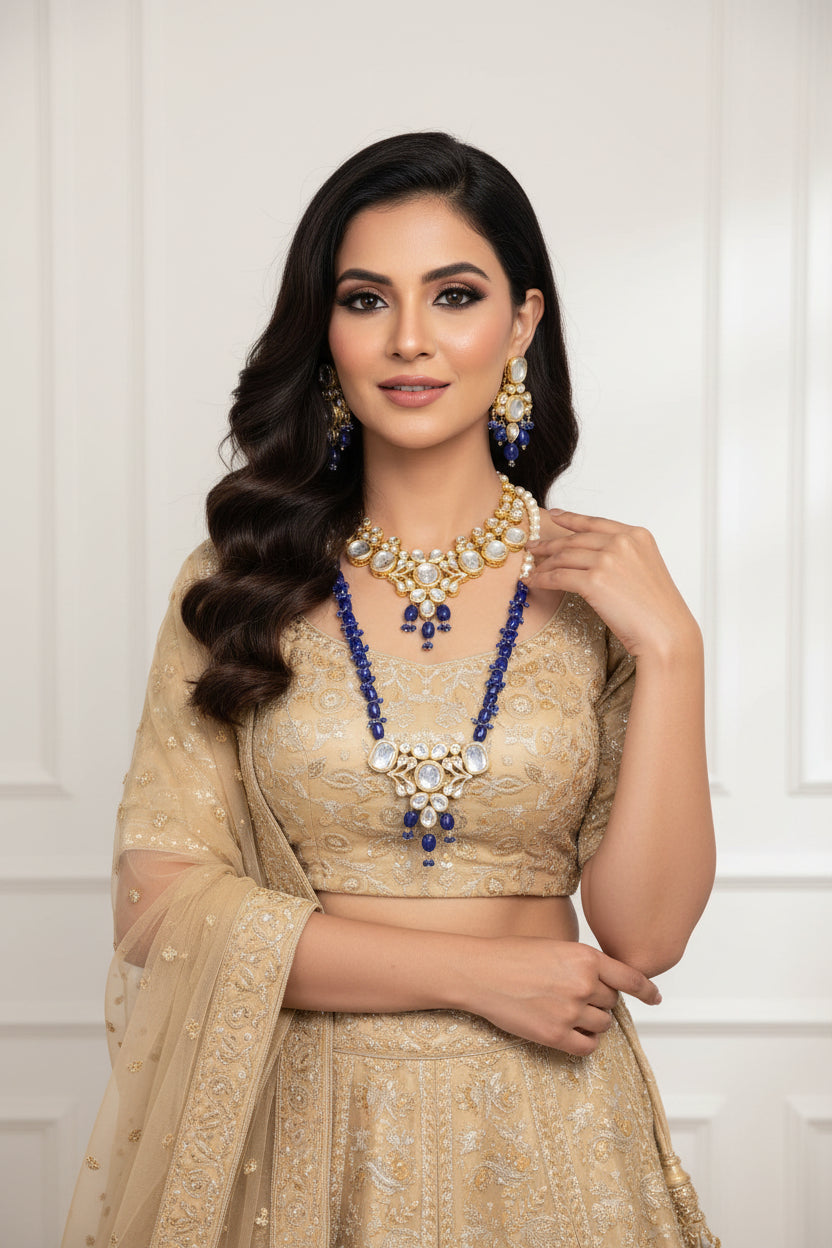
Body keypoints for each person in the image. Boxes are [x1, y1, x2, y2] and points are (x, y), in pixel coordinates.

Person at [62, 131, 720, 1248]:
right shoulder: (240, 583)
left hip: (552, 1135)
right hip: (295, 1135)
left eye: (454, 295)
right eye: (366, 299)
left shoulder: (603, 589)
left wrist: (674, 650)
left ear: (522, 321)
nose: (409, 338)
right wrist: (478, 978)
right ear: (324, 331)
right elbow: (156, 907)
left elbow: (644, 936)